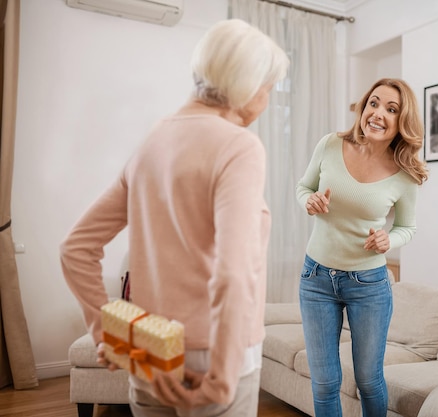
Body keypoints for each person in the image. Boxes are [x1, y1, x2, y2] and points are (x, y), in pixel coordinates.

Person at [60, 19, 289, 417]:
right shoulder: (239, 147)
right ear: (247, 87)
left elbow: (75, 248)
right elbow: (233, 273)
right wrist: (221, 371)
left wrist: (111, 335)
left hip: (150, 352)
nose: (267, 101)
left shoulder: (153, 142)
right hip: (216, 358)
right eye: (268, 90)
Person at [295, 78, 428, 416]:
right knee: (324, 383)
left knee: (368, 380)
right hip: (316, 279)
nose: (378, 113)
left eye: (391, 109)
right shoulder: (330, 144)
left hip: (368, 286)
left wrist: (389, 239)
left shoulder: (404, 175)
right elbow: (303, 187)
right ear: (364, 107)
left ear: (401, 121)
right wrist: (309, 201)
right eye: (374, 103)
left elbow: (406, 227)